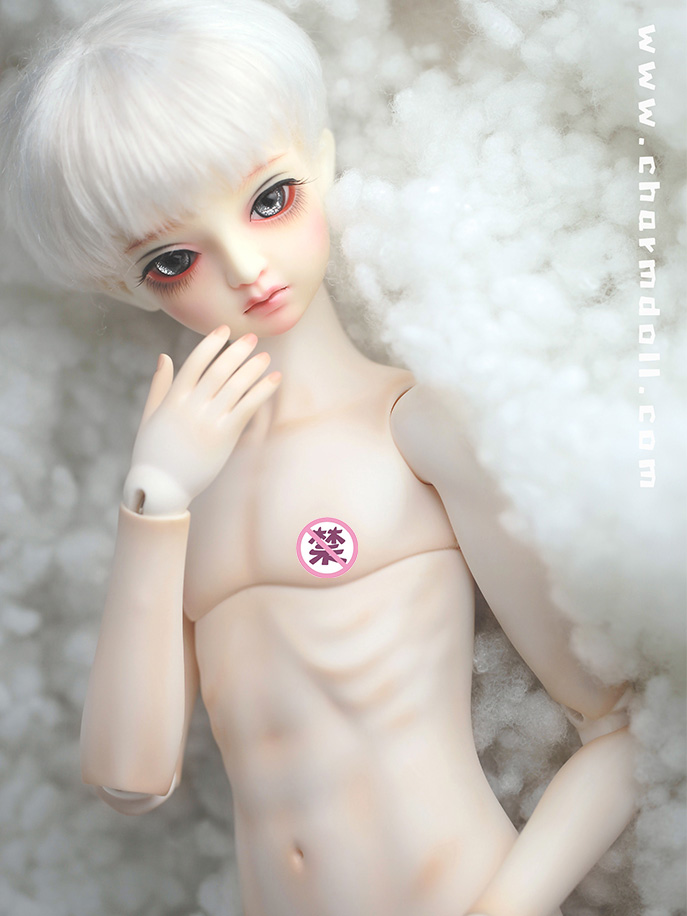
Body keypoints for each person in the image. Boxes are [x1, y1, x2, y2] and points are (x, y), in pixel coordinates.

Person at [1, 1, 638, 914]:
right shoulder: (184, 489)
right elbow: (129, 780)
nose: (245, 265)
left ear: (324, 162)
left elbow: (614, 729)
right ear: (122, 283)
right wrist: (153, 498)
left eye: (271, 199)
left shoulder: (413, 428)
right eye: (172, 260)